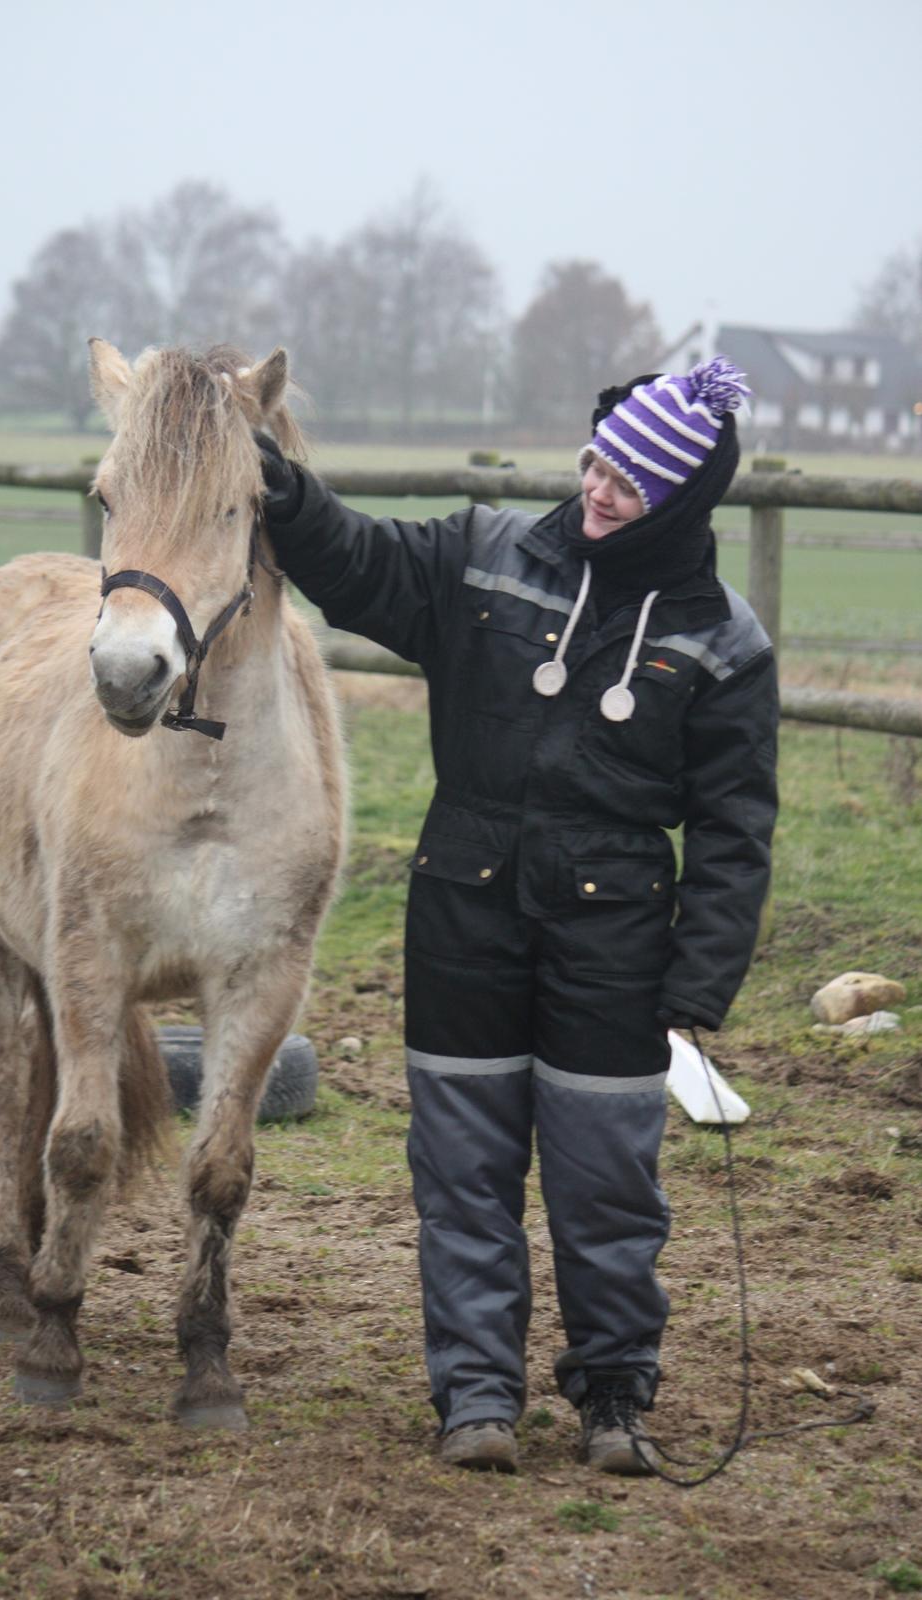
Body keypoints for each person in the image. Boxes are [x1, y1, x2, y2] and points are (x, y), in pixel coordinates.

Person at [256, 357, 778, 1476]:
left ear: (679, 501)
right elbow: (355, 562)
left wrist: (699, 976)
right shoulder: (481, 556)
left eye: (629, 485)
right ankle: (476, 1397)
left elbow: (735, 822)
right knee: (462, 1172)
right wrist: (284, 494)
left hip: (616, 932)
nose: (598, 491)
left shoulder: (722, 640)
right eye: (596, 463)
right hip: (464, 904)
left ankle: (612, 1397)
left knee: (603, 1181)